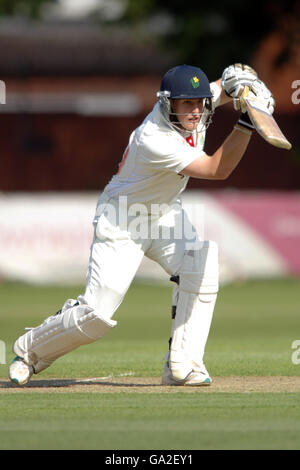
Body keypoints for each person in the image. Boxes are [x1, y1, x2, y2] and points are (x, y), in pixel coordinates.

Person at [9, 63, 275, 386]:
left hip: (164, 214)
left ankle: (183, 364)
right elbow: (216, 169)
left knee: (200, 263)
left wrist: (239, 83)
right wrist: (248, 119)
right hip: (123, 218)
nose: (195, 111)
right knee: (96, 315)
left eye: (199, 103)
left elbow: (216, 89)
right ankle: (30, 352)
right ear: (168, 104)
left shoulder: (196, 106)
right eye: (186, 104)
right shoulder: (155, 139)